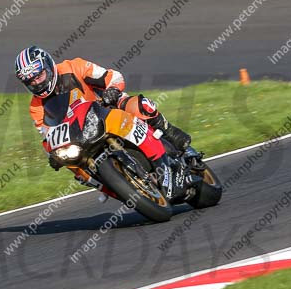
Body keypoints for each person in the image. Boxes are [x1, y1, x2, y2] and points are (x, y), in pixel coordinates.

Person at [14, 45, 198, 198]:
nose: (37, 83)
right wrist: (52, 156)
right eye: (31, 82)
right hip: (81, 136)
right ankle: (118, 190)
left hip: (106, 107)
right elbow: (47, 136)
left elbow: (113, 76)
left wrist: (112, 90)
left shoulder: (74, 67)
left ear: (48, 66)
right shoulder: (36, 107)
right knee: (77, 170)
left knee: (140, 105)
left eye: (39, 76)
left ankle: (173, 137)